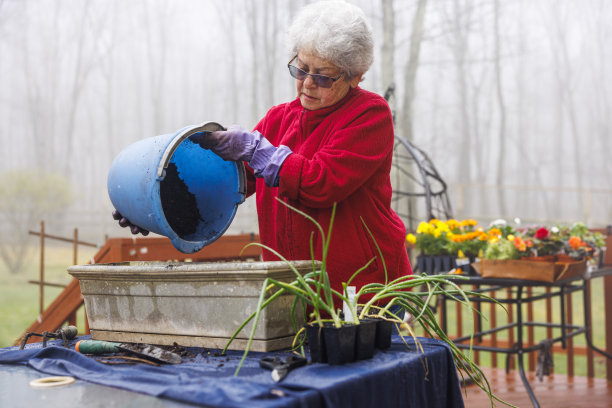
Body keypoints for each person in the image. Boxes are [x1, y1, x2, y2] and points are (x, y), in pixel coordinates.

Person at [114, 0, 412, 309]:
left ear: (356, 76)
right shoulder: (279, 119)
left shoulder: (370, 115)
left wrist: (257, 151)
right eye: (301, 69)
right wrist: (148, 201)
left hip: (361, 293)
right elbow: (229, 182)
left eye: (323, 76)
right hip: (294, 293)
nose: (307, 83)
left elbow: (321, 183)